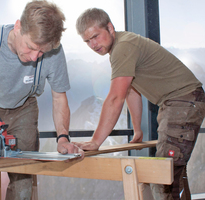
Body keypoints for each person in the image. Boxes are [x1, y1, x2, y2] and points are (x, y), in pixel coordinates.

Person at [0, 1, 83, 199]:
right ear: (18, 26)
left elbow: (59, 98)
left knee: (25, 177)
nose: (35, 57)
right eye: (30, 47)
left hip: (25, 108)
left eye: (42, 52)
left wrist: (63, 137)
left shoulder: (54, 52)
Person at [73, 8, 205, 200]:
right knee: (173, 175)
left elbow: (115, 98)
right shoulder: (121, 46)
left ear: (109, 27)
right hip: (181, 103)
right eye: (87, 41)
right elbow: (130, 91)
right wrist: (137, 130)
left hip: (182, 103)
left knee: (162, 178)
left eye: (95, 36)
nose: (92, 44)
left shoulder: (123, 47)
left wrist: (95, 142)